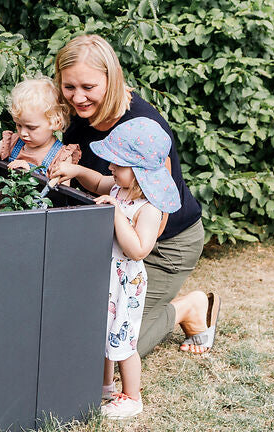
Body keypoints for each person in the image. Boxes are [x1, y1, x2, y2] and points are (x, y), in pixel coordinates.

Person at [49, 34, 221, 356]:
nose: (78, 97)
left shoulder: (143, 128)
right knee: (80, 326)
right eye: (69, 87)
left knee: (115, 345)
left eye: (88, 87)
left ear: (110, 79)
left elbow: (151, 228)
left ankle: (189, 307)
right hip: (118, 240)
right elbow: (100, 183)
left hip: (163, 243)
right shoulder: (80, 117)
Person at [54, 117, 179, 418]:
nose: (109, 167)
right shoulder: (120, 189)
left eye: (117, 164)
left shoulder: (147, 207)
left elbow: (138, 249)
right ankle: (103, 387)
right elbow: (96, 182)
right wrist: (74, 170)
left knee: (122, 340)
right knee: (102, 333)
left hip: (127, 283)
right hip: (107, 276)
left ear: (137, 173)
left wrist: (116, 214)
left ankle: (132, 396)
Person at [0, 77, 80, 196]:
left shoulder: (61, 157)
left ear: (56, 122)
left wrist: (28, 175)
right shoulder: (13, 141)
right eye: (19, 125)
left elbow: (61, 196)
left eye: (31, 127)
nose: (23, 133)